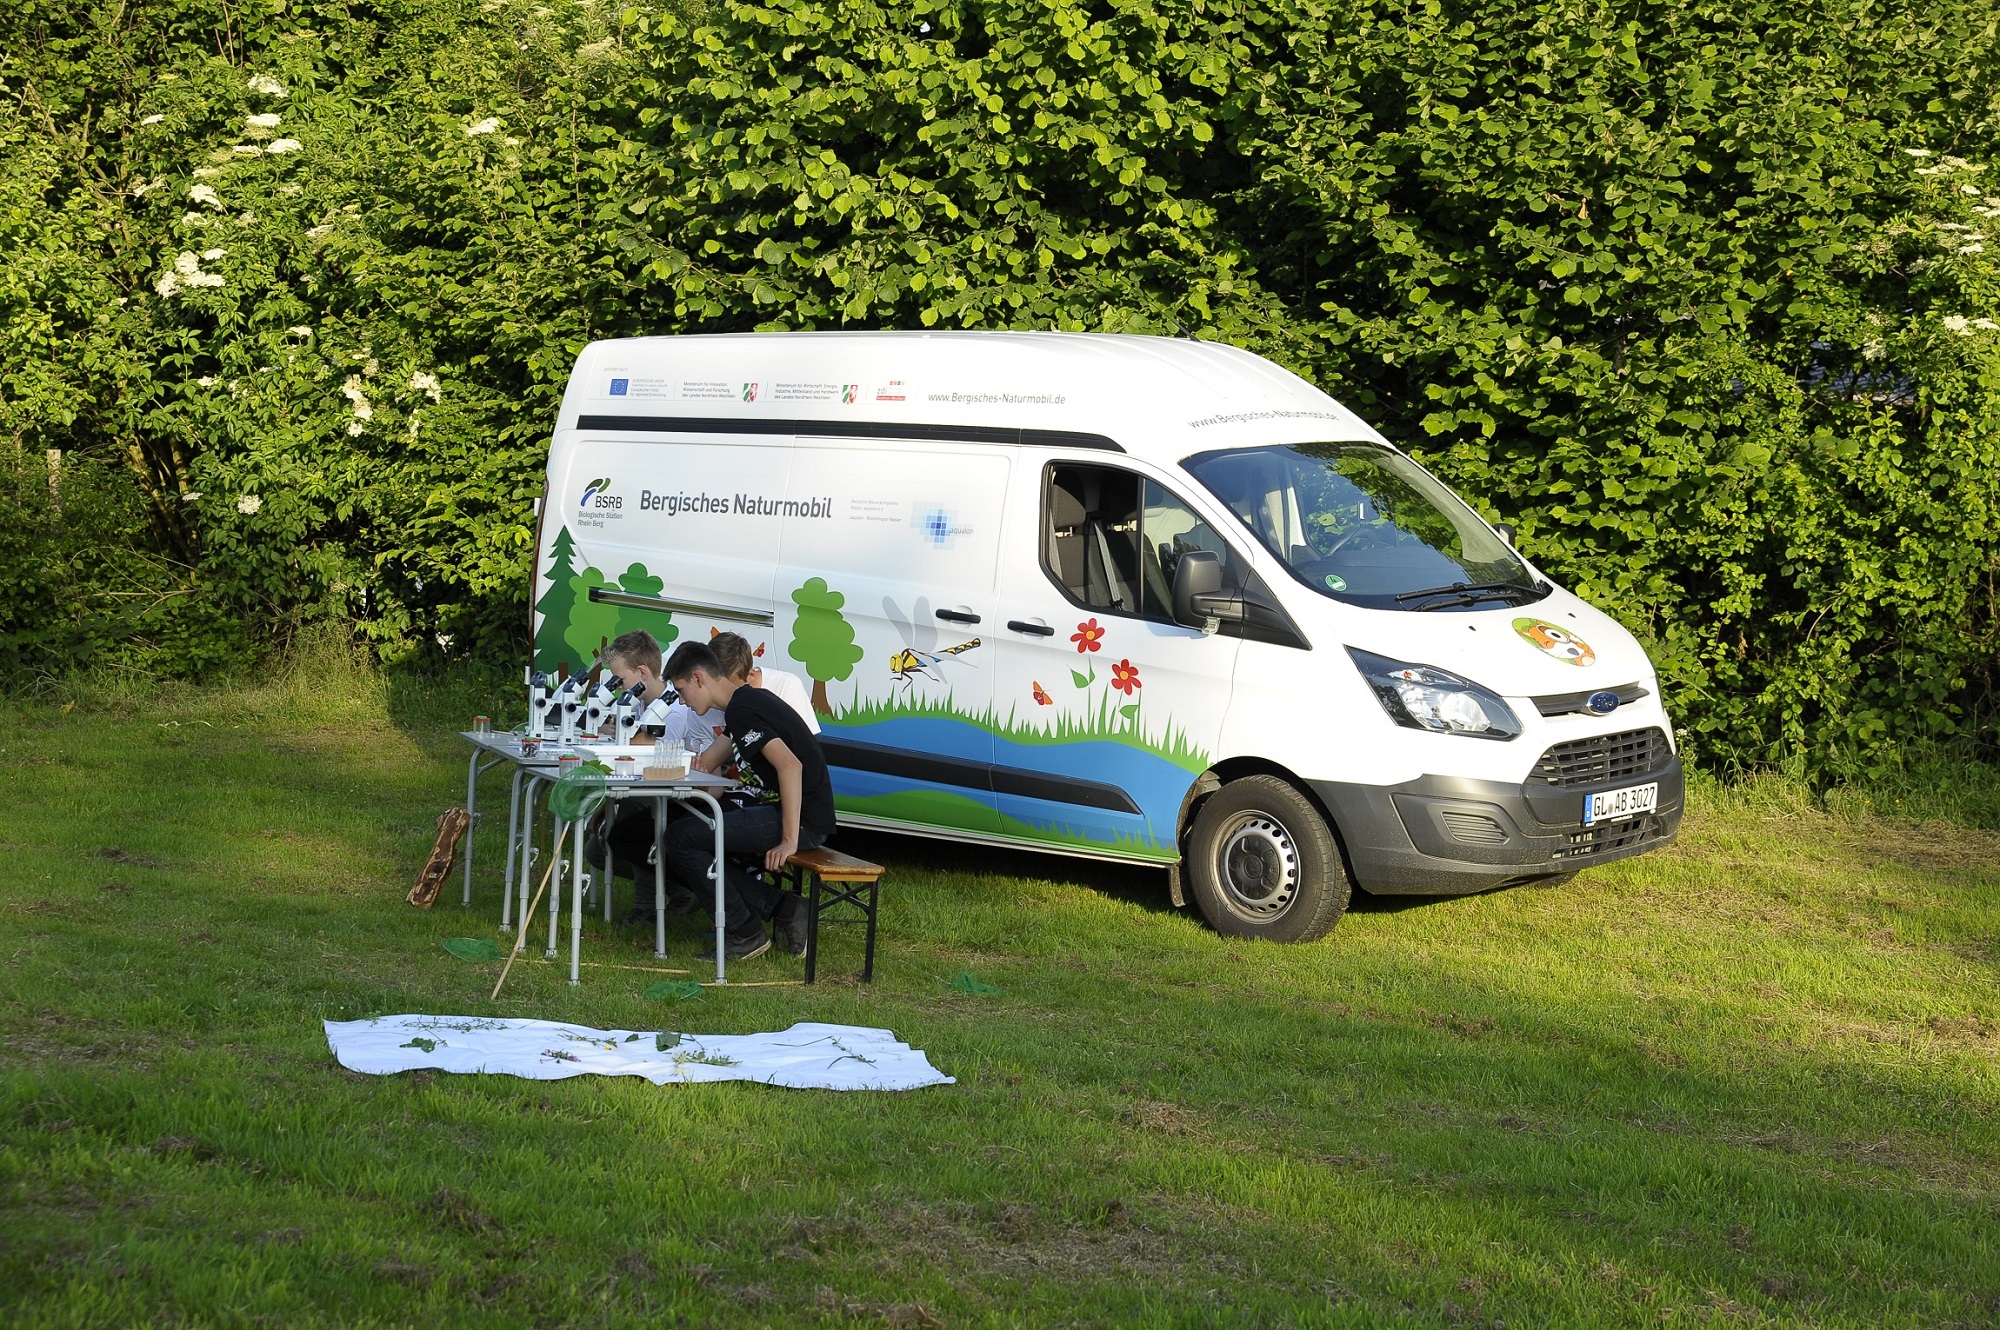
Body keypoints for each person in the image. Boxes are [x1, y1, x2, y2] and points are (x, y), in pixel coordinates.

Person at [662, 639, 835, 961]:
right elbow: (707, 763)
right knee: (681, 832)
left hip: (802, 820)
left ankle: (744, 932)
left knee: (681, 838)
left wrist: (789, 841)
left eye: (682, 691)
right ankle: (781, 908)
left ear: (699, 678)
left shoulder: (743, 710)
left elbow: (791, 766)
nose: (683, 701)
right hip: (780, 809)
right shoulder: (744, 704)